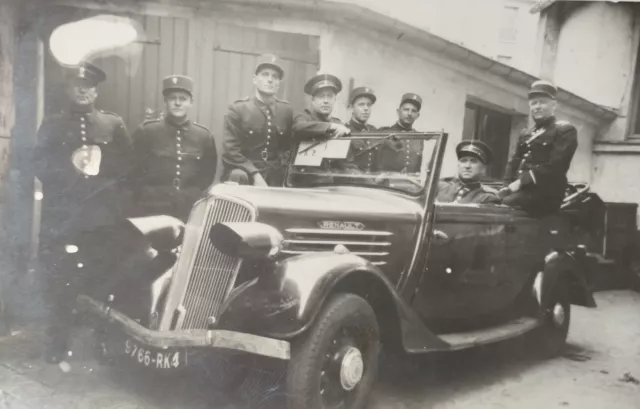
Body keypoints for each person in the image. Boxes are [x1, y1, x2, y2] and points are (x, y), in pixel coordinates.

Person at [33, 62, 134, 363]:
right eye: (77, 84)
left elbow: (128, 167)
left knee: (102, 280)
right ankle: (57, 342)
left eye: (88, 85)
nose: (83, 90)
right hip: (63, 218)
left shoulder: (112, 124)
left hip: (100, 219)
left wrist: (101, 175)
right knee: (59, 281)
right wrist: (71, 169)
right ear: (69, 88)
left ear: (96, 90)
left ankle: (101, 343)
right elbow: (38, 164)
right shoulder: (52, 125)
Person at [130, 75, 217, 221]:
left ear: (191, 102)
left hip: (189, 205)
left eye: (183, 99)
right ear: (166, 101)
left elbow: (207, 175)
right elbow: (133, 171)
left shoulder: (203, 136)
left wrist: (191, 194)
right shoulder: (147, 131)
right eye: (172, 98)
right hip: (152, 205)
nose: (177, 103)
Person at [501, 80, 578, 215]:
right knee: (492, 200)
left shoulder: (564, 130)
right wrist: (506, 186)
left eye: (542, 102)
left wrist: (521, 182)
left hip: (546, 195)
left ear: (554, 105)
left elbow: (556, 166)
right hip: (522, 193)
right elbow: (515, 161)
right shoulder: (526, 133)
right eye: (533, 103)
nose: (537, 107)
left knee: (505, 205)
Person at [222, 54, 293, 186]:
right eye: (265, 74)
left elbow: (287, 148)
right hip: (246, 173)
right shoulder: (238, 109)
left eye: (275, 76)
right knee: (238, 176)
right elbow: (230, 152)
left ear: (279, 84)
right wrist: (254, 174)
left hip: (275, 173)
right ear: (255, 79)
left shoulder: (286, 111)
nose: (270, 80)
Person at [379, 93, 424, 174]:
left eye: (413, 111)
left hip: (410, 184)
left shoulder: (418, 138)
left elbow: (417, 168)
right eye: (406, 109)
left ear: (417, 115)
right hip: (387, 184)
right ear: (398, 111)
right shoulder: (384, 133)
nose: (409, 114)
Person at [344, 87, 381, 173]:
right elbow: (347, 167)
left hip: (373, 182)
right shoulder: (345, 131)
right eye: (361, 104)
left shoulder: (374, 131)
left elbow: (379, 164)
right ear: (351, 107)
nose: (366, 108)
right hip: (352, 183)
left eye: (369, 105)